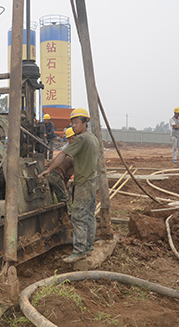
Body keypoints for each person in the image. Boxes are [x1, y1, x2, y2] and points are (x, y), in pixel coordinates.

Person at [39, 108, 99, 264]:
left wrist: (49, 169)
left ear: (85, 123)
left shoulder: (81, 139)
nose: (74, 126)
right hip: (93, 182)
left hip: (84, 184)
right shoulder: (94, 138)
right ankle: (88, 247)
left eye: (77, 123)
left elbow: (63, 155)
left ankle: (79, 251)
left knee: (78, 216)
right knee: (89, 215)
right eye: (72, 123)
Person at [47, 127, 75, 204]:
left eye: (72, 138)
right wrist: (64, 184)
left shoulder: (66, 150)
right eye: (69, 139)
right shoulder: (71, 156)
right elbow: (67, 175)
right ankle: (65, 214)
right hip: (56, 175)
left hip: (49, 174)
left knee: (50, 199)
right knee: (64, 199)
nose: (70, 141)